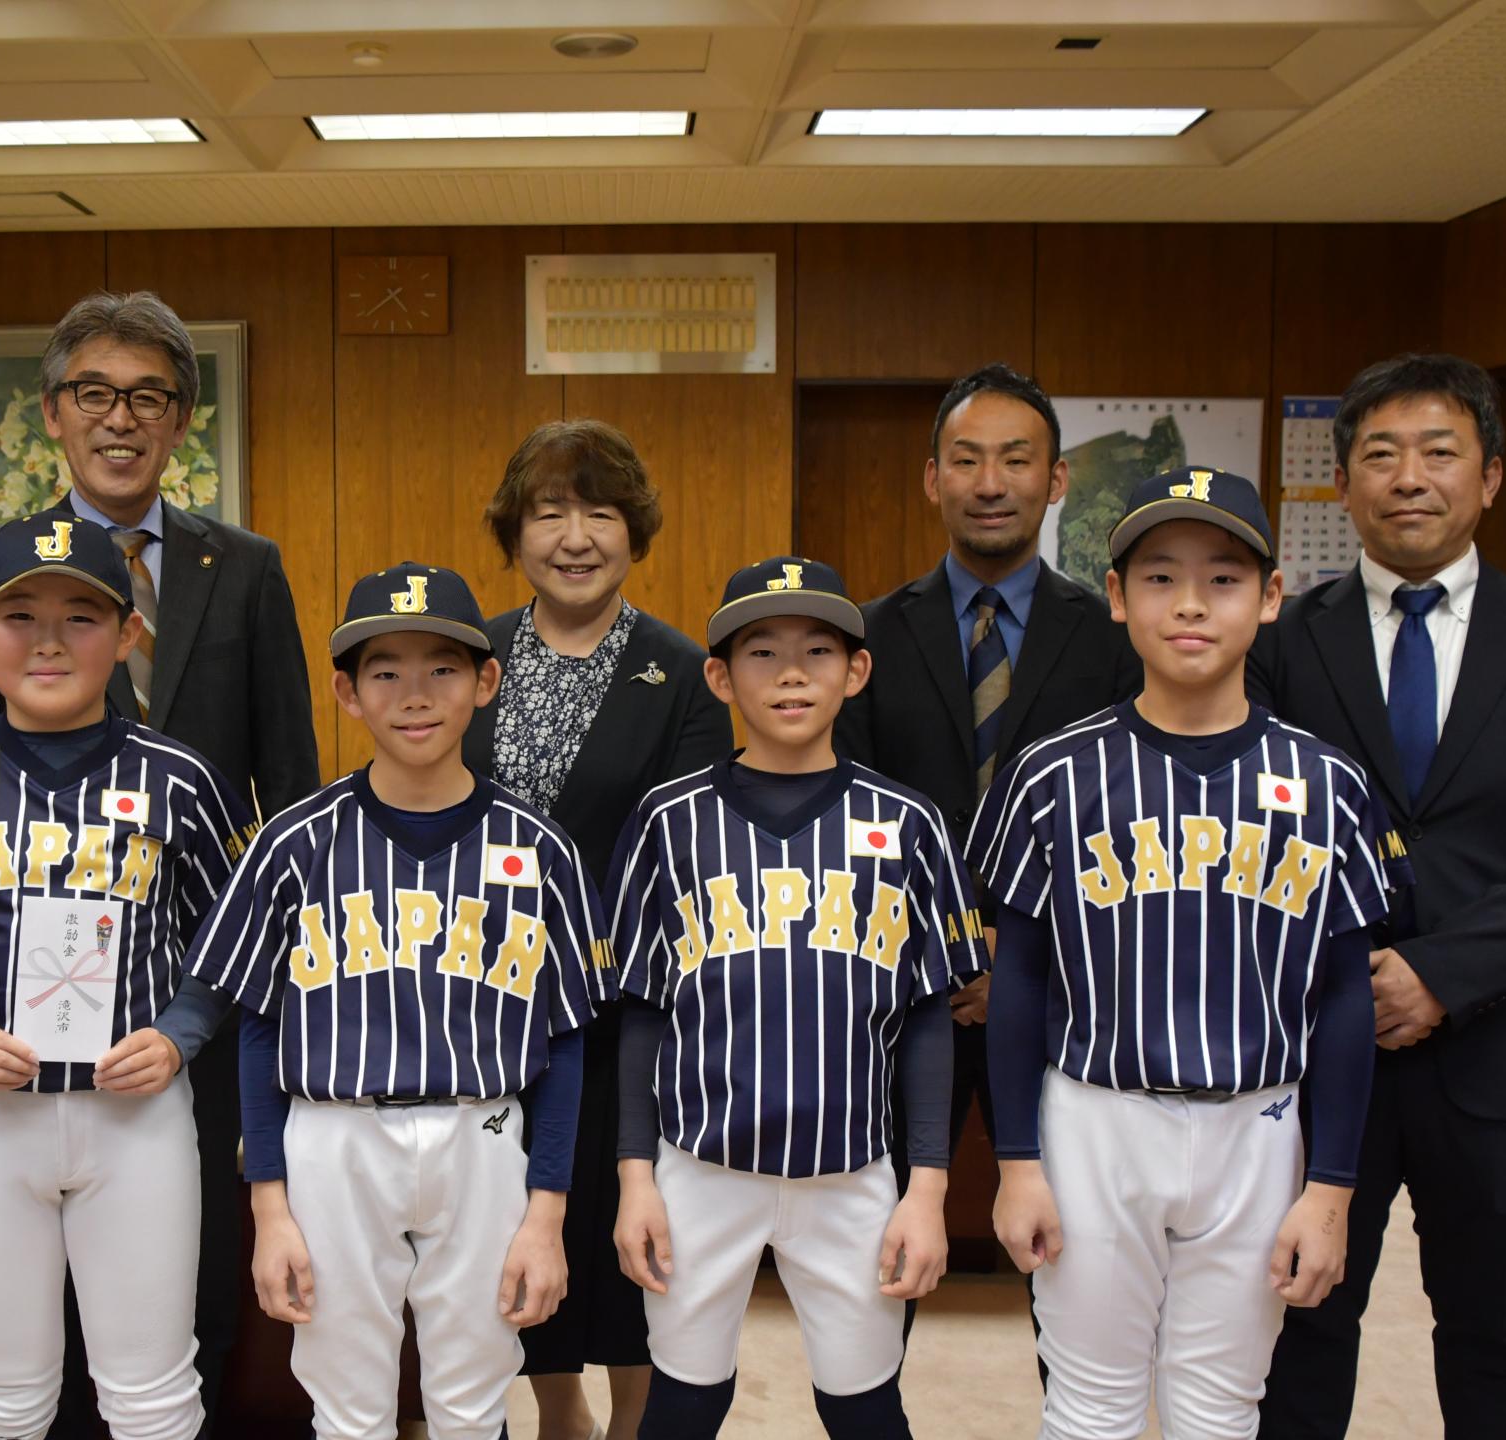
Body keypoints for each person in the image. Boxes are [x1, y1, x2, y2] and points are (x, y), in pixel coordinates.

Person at [0, 290, 319, 1429]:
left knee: (179, 1237)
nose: (120, 417)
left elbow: (287, 779)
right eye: (94, 392)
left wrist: (270, 955)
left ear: (182, 419)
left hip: (188, 963)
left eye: (148, 396)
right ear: (52, 414)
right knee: (21, 1276)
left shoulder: (243, 566)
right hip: (18, 978)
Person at [973, 469, 1408, 1440]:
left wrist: (1331, 1188)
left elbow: (1344, 998)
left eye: (1222, 579)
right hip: (1093, 1118)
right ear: (1118, 597)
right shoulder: (1051, 773)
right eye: (1161, 578)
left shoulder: (1327, 781)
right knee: (1090, 1407)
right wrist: (1015, 1161)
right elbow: (1021, 982)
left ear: (1269, 598)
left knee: (1222, 1412)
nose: (1191, 605)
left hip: (1259, 1127)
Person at [1253, 355, 1506, 1439]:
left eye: (1439, 452)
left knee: (1500, 1336)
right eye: (1380, 454)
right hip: (1326, 1049)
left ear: (1492, 477)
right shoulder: (1286, 644)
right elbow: (1261, 836)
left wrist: (1443, 975)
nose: (1409, 477)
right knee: (1302, 1323)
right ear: (1341, 485)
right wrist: (1356, 981)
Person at [186, 562, 614, 1440]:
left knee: (472, 1397)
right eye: (386, 670)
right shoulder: (292, 844)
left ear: (486, 680)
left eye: (443, 668)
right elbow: (258, 1032)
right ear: (346, 691)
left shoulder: (541, 851)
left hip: (483, 1131)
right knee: (347, 1404)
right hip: (335, 1134)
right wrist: (268, 1208)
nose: (415, 694)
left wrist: (547, 1211)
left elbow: (566, 1044)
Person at [0, 515, 246, 1440]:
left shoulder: (183, 779)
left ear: (130, 634)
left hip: (133, 1117)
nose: (51, 639)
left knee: (151, 1393)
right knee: (0, 1395)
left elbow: (227, 948)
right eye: (20, 615)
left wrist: (180, 1033)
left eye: (84, 616)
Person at [610, 556, 986, 1439]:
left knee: (863, 1403)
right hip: (700, 1166)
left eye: (818, 650)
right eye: (761, 651)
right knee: (684, 1396)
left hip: (852, 1170)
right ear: (718, 675)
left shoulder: (908, 822)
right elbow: (640, 1013)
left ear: (856, 670)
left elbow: (931, 1016)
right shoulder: (668, 820)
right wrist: (636, 1179)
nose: (789, 672)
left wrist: (926, 1189)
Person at [463, 419, 733, 1440]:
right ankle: (557, 1406)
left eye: (599, 512)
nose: (574, 536)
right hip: (483, 1004)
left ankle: (634, 1416)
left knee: (628, 1232)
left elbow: (693, 846)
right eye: (549, 512)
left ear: (634, 531)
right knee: (510, 1222)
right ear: (516, 531)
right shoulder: (469, 654)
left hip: (632, 1008)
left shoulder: (682, 670)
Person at [838, 362, 1140, 1176]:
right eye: (967, 460)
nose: (991, 483)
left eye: (1017, 459)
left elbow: (1128, 820)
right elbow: (852, 820)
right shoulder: (866, 639)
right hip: (904, 989)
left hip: (1069, 989)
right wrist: (951, 947)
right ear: (934, 480)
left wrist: (1021, 947)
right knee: (883, 1240)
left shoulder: (1118, 642)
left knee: (1074, 1251)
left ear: (1057, 479)